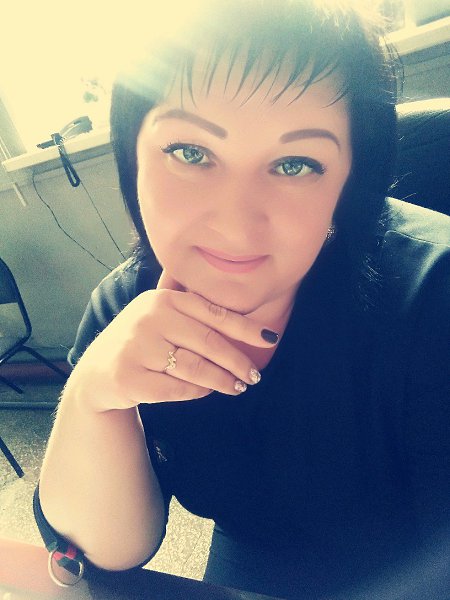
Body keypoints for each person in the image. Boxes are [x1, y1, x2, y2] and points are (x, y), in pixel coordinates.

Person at [34, 1, 450, 598]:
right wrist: (92, 397)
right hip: (253, 564)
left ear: (349, 180)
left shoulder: (435, 293)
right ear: (132, 158)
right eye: (190, 153)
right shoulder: (125, 305)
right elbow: (107, 555)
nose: (235, 225)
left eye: (294, 164)